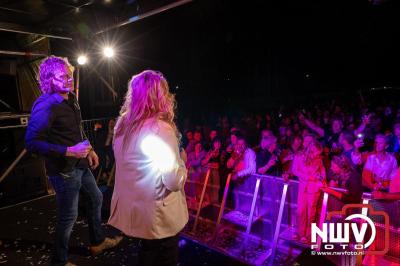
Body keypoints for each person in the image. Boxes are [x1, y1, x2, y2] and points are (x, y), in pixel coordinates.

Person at [25, 56, 122, 266]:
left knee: (96, 198)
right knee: (68, 216)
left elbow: (76, 130)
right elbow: (32, 142)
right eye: (63, 76)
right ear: (49, 79)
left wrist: (89, 150)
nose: (69, 79)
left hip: (80, 164)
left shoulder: (71, 98)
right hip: (63, 170)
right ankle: (59, 261)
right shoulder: (45, 105)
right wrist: (68, 150)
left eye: (70, 74)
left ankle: (97, 242)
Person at [108, 70, 188, 266]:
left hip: (137, 208)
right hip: (158, 213)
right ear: (160, 95)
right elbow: (172, 180)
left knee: (147, 251)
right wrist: (183, 162)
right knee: (165, 256)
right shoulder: (159, 129)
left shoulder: (123, 124)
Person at [291, 140, 326, 243]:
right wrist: (307, 177)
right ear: (311, 150)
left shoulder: (319, 160)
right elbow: (294, 170)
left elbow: (322, 173)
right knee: (301, 210)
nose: (317, 155)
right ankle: (300, 232)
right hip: (303, 187)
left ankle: (308, 234)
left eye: (319, 153)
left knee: (311, 212)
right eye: (316, 152)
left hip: (314, 188)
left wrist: (321, 178)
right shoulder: (299, 156)